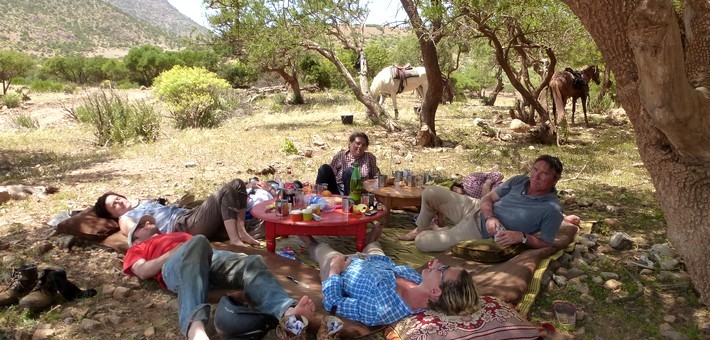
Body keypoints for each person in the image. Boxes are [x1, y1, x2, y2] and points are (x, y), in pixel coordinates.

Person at [124, 215, 316, 340]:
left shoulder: (172, 234)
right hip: (174, 266)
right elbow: (143, 271)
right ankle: (195, 328)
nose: (148, 223)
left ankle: (288, 313)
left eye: (148, 221)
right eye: (141, 226)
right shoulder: (136, 249)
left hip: (209, 257)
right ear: (136, 239)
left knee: (251, 262)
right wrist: (174, 252)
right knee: (198, 241)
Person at [298, 223, 480, 326]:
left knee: (324, 251)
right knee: (376, 250)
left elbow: (333, 304)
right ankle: (372, 241)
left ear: (435, 291)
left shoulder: (382, 310)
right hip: (378, 264)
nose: (438, 263)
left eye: (442, 269)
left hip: (344, 269)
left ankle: (307, 239)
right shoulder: (418, 280)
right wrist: (432, 271)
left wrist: (335, 270)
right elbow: (390, 266)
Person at [400, 155, 565, 252]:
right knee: (430, 192)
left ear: (555, 180)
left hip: (479, 231)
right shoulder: (520, 181)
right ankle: (421, 227)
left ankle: (438, 230)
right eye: (535, 170)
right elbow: (488, 199)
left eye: (544, 174)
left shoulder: (552, 209)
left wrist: (522, 237)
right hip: (476, 208)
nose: (535, 177)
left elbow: (547, 244)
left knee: (422, 243)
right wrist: (490, 216)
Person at [94, 178, 260, 247]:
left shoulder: (141, 203)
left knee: (238, 184)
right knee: (227, 190)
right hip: (183, 225)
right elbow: (135, 235)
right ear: (114, 215)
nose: (118, 201)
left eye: (116, 198)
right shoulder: (124, 218)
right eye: (114, 205)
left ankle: (241, 230)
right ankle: (235, 240)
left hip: (190, 216)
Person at [316, 132, 380, 195]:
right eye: (358, 143)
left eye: (363, 145)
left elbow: (374, 179)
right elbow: (331, 173)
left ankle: (350, 201)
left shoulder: (369, 157)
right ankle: (318, 198)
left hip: (357, 192)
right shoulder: (340, 156)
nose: (360, 146)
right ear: (350, 144)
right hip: (338, 190)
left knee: (350, 171)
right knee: (324, 168)